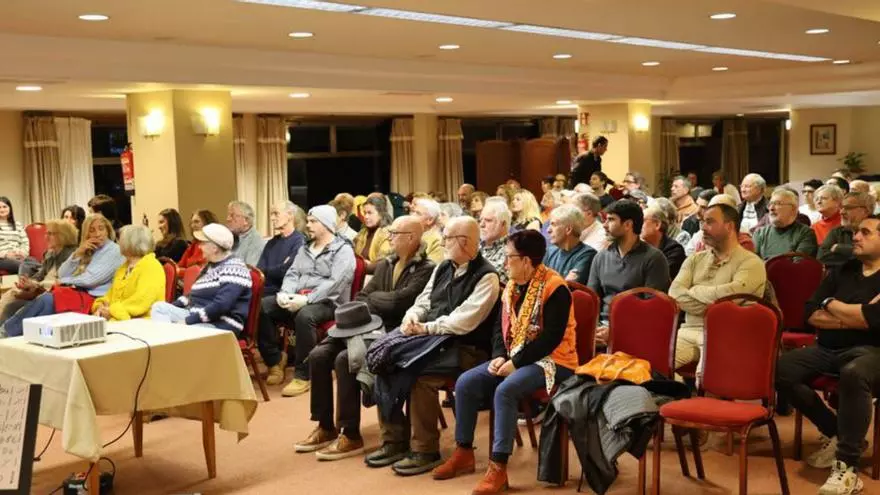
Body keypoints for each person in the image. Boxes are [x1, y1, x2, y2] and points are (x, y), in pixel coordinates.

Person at [432, 230, 578, 493]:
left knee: (506, 389)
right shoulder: (511, 285)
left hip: (555, 361)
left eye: (509, 257)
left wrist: (516, 362)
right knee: (466, 382)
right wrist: (499, 355)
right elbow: (500, 329)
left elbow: (551, 338)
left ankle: (498, 467)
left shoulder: (555, 288)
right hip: (515, 356)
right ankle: (464, 451)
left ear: (526, 260)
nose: (504, 262)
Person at [368, 216, 499, 476]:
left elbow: (464, 322)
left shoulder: (487, 277)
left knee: (421, 377)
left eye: (447, 238)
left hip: (467, 349)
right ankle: (394, 441)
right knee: (386, 360)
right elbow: (423, 301)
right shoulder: (443, 268)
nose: (441, 242)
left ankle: (425, 450)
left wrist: (426, 327)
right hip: (432, 340)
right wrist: (412, 317)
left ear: (464, 242)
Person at [296, 216, 434, 461]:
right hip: (366, 325)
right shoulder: (386, 263)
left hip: (394, 331)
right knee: (318, 355)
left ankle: (350, 434)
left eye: (394, 233)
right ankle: (325, 426)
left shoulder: (426, 268)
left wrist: (376, 299)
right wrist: (379, 300)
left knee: (345, 359)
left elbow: (401, 303)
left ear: (412, 237)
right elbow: (361, 296)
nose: (389, 237)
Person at [775, 215, 880, 495]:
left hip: (871, 352)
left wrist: (830, 304)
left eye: (865, 232)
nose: (855, 237)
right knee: (781, 369)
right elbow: (810, 311)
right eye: (856, 232)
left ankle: (847, 467)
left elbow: (874, 320)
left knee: (854, 373)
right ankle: (836, 431)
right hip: (827, 348)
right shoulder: (843, 270)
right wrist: (852, 316)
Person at [267, 205, 356, 397]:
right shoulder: (305, 248)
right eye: (308, 221)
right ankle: (275, 360)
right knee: (265, 306)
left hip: (329, 303)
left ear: (326, 224)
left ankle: (303, 374)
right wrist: (285, 292)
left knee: (305, 315)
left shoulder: (343, 250)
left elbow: (336, 284)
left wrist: (307, 299)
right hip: (299, 296)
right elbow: (292, 273)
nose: (307, 225)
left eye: (313, 221)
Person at [670, 204, 767, 372]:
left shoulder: (752, 263)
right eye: (702, 222)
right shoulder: (694, 259)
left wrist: (695, 290)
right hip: (688, 331)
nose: (703, 228)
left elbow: (731, 299)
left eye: (709, 222)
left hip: (727, 334)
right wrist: (712, 306)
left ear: (729, 226)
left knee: (707, 376)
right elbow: (674, 294)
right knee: (649, 364)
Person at [3, 215, 124, 337]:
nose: (97, 234)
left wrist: (64, 281)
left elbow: (90, 280)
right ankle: (13, 336)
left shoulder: (114, 251)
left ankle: (6, 333)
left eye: (101, 229)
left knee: (47, 300)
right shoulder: (89, 249)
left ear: (108, 230)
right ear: (87, 234)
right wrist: (78, 253)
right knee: (43, 303)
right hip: (79, 293)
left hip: (96, 297)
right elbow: (62, 273)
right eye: (92, 230)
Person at [589, 200, 670, 345]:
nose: (604, 225)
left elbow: (652, 308)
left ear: (628, 225)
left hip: (636, 329)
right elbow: (592, 300)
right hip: (601, 326)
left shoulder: (654, 258)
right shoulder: (600, 257)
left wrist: (616, 331)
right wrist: (593, 330)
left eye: (611, 220)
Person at [150, 223, 252, 332]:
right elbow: (192, 296)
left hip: (220, 324)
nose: (199, 246)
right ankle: (168, 339)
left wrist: (187, 321)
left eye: (203, 243)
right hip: (198, 317)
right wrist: (173, 307)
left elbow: (221, 306)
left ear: (214, 248)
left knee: (180, 331)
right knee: (159, 308)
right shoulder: (210, 265)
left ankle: (169, 340)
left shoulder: (234, 268)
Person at [0, 220, 77, 324]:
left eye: (50, 234)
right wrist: (29, 282)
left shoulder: (72, 255)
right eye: (46, 233)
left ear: (63, 236)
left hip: (53, 295)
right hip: (40, 290)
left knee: (11, 306)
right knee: (11, 294)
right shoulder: (49, 253)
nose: (46, 237)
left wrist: (36, 285)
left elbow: (64, 282)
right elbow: (40, 276)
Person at [92, 225, 166, 321]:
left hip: (143, 322)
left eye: (121, 240)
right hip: (119, 319)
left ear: (131, 243)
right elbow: (110, 296)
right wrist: (100, 306)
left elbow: (140, 302)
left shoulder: (151, 266)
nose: (118, 243)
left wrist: (111, 311)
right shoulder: (123, 268)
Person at [257, 200, 306, 300]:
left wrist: (267, 271)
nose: (272, 218)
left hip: (282, 293)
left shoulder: (300, 241)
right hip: (263, 290)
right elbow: (259, 272)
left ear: (290, 215)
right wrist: (276, 269)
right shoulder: (271, 243)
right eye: (271, 214)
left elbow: (285, 272)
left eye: (276, 214)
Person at [752, 188, 818, 260]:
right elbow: (752, 262)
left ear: (793, 208)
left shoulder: (805, 233)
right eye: (770, 204)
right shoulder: (760, 233)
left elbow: (798, 264)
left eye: (778, 203)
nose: (771, 208)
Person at [818, 192, 875, 268]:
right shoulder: (837, 232)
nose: (841, 212)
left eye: (848, 208)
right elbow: (821, 257)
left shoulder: (876, 230)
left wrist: (840, 248)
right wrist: (856, 255)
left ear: (866, 211)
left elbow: (873, 255)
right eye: (841, 208)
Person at [543, 204, 596, 285]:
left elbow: (567, 287)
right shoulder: (549, 251)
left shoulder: (587, 254)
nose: (548, 230)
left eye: (553, 224)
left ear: (568, 229)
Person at [641, 205, 686, 279]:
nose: (638, 225)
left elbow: (659, 278)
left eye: (642, 221)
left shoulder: (674, 250)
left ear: (657, 225)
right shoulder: (637, 248)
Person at [353, 196, 394, 274]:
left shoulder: (388, 233)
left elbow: (383, 264)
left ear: (381, 214)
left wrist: (361, 265)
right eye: (365, 213)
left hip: (376, 277)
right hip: (359, 274)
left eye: (370, 213)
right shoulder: (362, 232)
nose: (366, 217)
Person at [478, 200, 511, 286]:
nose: (481, 225)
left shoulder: (511, 250)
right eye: (480, 220)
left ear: (503, 224)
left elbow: (489, 282)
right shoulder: (476, 246)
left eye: (488, 220)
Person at [226, 201, 265, 266]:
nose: (228, 219)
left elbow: (250, 270)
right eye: (228, 215)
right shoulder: (230, 237)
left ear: (246, 221)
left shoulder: (255, 242)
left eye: (232, 215)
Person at [410, 197, 445, 263]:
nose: (412, 216)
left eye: (418, 213)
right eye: (413, 212)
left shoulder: (437, 242)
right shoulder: (408, 234)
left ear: (430, 220)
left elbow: (431, 267)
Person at [0, 197, 29, 274]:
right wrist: (6, 255)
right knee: (22, 265)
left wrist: (22, 253)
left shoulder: (18, 225)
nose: (2, 210)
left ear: (10, 208)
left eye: (4, 207)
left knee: (33, 261)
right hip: (2, 259)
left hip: (18, 256)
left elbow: (25, 242)